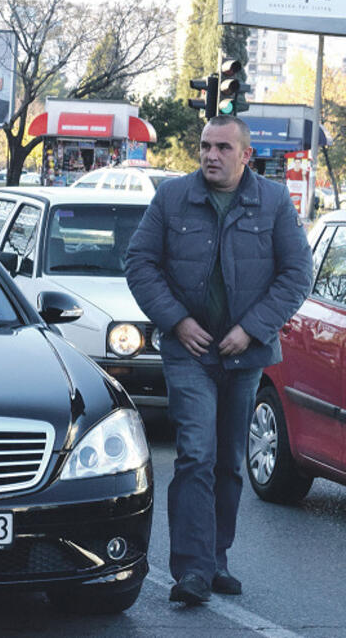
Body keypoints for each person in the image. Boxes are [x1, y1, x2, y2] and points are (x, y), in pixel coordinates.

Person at [125, 116, 312, 606]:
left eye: (223, 147)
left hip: (245, 355)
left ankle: (215, 558)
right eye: (205, 146)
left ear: (245, 155)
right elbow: (139, 262)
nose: (211, 155)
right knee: (195, 454)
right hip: (189, 351)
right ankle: (191, 570)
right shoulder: (171, 197)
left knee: (230, 461)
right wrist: (177, 322)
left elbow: (296, 275)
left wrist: (251, 328)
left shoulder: (272, 202)